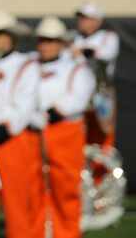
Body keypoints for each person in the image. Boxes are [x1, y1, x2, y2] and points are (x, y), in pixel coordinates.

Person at [0, 11, 42, 238]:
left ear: (12, 37)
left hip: (11, 140)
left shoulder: (25, 65)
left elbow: (25, 105)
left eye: (2, 34)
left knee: (18, 203)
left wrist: (1, 131)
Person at [32, 16, 95, 238]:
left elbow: (81, 94)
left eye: (51, 40)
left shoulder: (74, 68)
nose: (46, 45)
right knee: (33, 189)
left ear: (60, 42)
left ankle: (66, 233)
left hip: (64, 131)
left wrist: (53, 111)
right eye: (42, 40)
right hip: (32, 131)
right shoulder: (30, 64)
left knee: (65, 189)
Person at [71, 2, 119, 147]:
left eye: (86, 18)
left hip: (100, 91)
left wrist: (83, 51)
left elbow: (106, 54)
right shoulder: (74, 37)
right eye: (81, 18)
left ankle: (103, 167)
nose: (82, 21)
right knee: (79, 132)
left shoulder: (107, 36)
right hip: (78, 92)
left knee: (103, 133)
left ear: (97, 20)